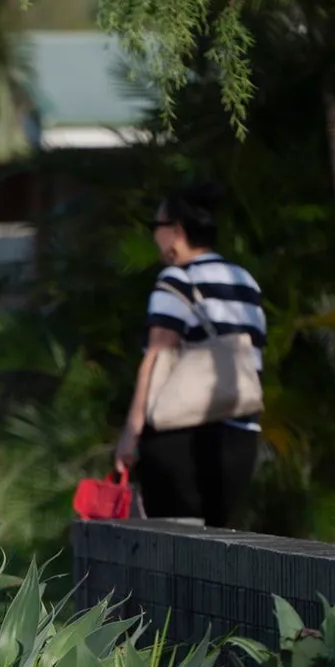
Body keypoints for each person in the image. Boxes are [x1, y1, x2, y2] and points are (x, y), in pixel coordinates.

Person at [113, 182, 266, 529]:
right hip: (241, 436)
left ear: (177, 231)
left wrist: (131, 431)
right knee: (221, 545)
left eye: (157, 228)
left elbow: (157, 354)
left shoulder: (176, 280)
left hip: (182, 438)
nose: (155, 238)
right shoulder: (245, 281)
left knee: (177, 548)